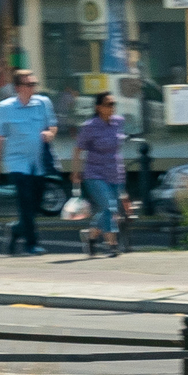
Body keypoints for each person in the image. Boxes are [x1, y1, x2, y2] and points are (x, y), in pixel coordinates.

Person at [0, 68, 58, 255]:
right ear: (18, 87)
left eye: (34, 84)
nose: (33, 87)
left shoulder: (43, 103)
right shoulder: (5, 108)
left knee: (36, 204)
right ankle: (31, 244)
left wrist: (50, 133)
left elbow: (53, 125)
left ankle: (16, 229)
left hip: (38, 163)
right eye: (29, 84)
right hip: (17, 163)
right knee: (25, 202)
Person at [71, 90, 128, 258]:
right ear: (98, 107)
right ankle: (112, 244)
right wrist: (75, 172)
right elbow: (77, 150)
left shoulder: (119, 122)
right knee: (109, 206)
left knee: (107, 210)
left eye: (113, 104)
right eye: (108, 104)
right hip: (94, 174)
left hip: (115, 173)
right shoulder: (90, 126)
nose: (112, 107)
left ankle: (90, 237)